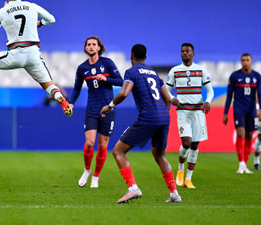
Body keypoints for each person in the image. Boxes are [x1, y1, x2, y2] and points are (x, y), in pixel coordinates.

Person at [101, 44, 181, 203]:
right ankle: (174, 194)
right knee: (159, 155)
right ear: (145, 57)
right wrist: (162, 115)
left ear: (132, 56)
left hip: (148, 117)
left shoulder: (131, 72)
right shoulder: (154, 73)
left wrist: (110, 106)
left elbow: (124, 92)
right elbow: (167, 98)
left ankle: (133, 188)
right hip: (164, 117)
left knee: (118, 151)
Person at [68, 36, 123, 188]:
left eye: (94, 44)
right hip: (92, 109)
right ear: (85, 48)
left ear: (99, 48)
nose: (91, 47)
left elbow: (120, 81)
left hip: (108, 109)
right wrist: (71, 103)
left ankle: (96, 177)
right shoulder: (82, 68)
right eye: (88, 45)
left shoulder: (107, 63)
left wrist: (106, 79)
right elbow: (77, 88)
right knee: (90, 143)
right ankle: (87, 170)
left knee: (103, 145)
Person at [166, 43, 214, 188]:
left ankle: (188, 178)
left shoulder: (201, 70)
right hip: (183, 111)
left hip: (198, 111)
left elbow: (210, 90)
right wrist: (172, 98)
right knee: (186, 143)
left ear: (193, 54)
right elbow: (166, 90)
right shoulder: (175, 70)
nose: (184, 53)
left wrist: (208, 101)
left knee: (195, 145)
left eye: (187, 51)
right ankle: (180, 171)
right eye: (182, 51)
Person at [222, 53, 261, 173]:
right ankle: (241, 164)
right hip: (239, 109)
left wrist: (259, 109)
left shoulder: (257, 76)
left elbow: (259, 94)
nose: (245, 62)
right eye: (243, 60)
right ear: (241, 62)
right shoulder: (235, 76)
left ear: (251, 61)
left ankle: (245, 165)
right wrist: (225, 112)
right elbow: (229, 95)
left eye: (247, 60)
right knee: (241, 133)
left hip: (252, 110)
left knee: (249, 135)